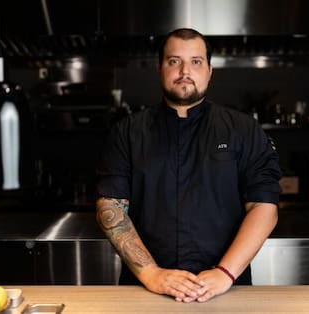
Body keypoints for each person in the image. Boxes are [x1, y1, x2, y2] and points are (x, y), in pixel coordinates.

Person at [96, 28, 281, 303]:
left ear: (209, 70)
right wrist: (152, 274)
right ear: (160, 69)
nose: (185, 70)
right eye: (174, 61)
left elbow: (264, 207)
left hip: (225, 291)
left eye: (196, 61)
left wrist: (224, 274)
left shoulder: (244, 130)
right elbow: (110, 205)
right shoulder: (127, 133)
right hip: (145, 291)